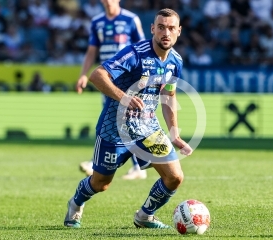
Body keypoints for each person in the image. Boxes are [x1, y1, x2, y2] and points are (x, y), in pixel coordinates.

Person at [64, 8, 193, 229]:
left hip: (147, 128)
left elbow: (168, 95)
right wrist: (124, 97)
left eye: (171, 28)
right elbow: (97, 75)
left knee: (174, 177)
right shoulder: (135, 53)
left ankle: (144, 216)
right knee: (100, 183)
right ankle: (75, 204)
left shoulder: (175, 62)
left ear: (179, 31)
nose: (166, 32)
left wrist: (175, 133)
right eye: (161, 27)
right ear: (152, 29)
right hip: (114, 128)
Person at [76, 0, 147, 180]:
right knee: (116, 119)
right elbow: (92, 50)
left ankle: (102, 163)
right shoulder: (97, 22)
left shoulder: (131, 19)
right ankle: (137, 165)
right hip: (106, 78)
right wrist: (84, 74)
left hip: (127, 76)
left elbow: (143, 48)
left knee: (123, 119)